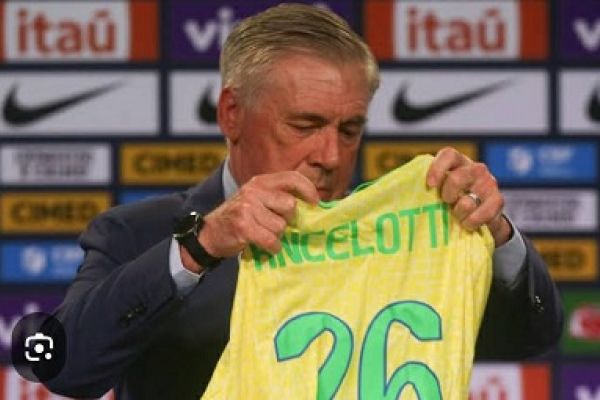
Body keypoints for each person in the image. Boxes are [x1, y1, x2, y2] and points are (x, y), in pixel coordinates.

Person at [45, 4, 562, 400]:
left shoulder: (396, 235)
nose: (330, 156)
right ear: (232, 114)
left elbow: (527, 339)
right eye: (305, 125)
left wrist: (496, 235)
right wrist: (199, 249)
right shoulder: (138, 233)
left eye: (350, 129)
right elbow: (61, 365)